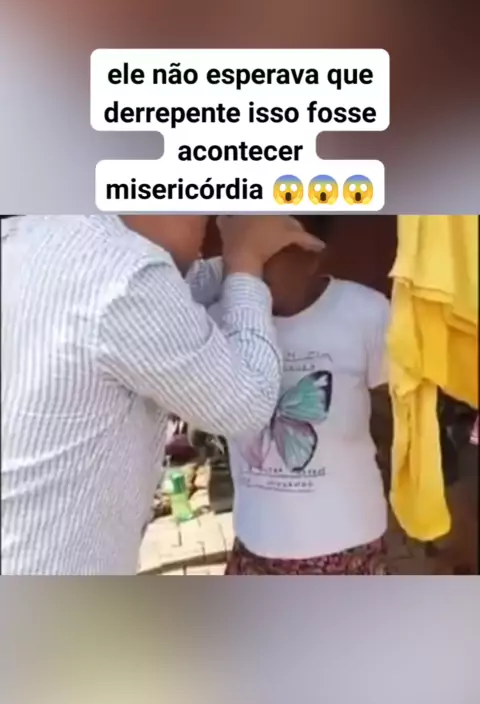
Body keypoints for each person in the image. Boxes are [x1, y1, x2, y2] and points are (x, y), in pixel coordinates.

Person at [1, 214, 323, 575]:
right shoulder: (122, 273)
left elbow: (177, 289)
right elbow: (248, 403)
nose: (205, 231)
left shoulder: (31, 239)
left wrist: (241, 260)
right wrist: (245, 263)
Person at [208, 227, 392, 574]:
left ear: (311, 254)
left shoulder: (366, 312)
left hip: (346, 543)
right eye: (240, 252)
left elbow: (391, 410)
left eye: (264, 252)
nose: (250, 267)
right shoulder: (220, 318)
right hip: (255, 542)